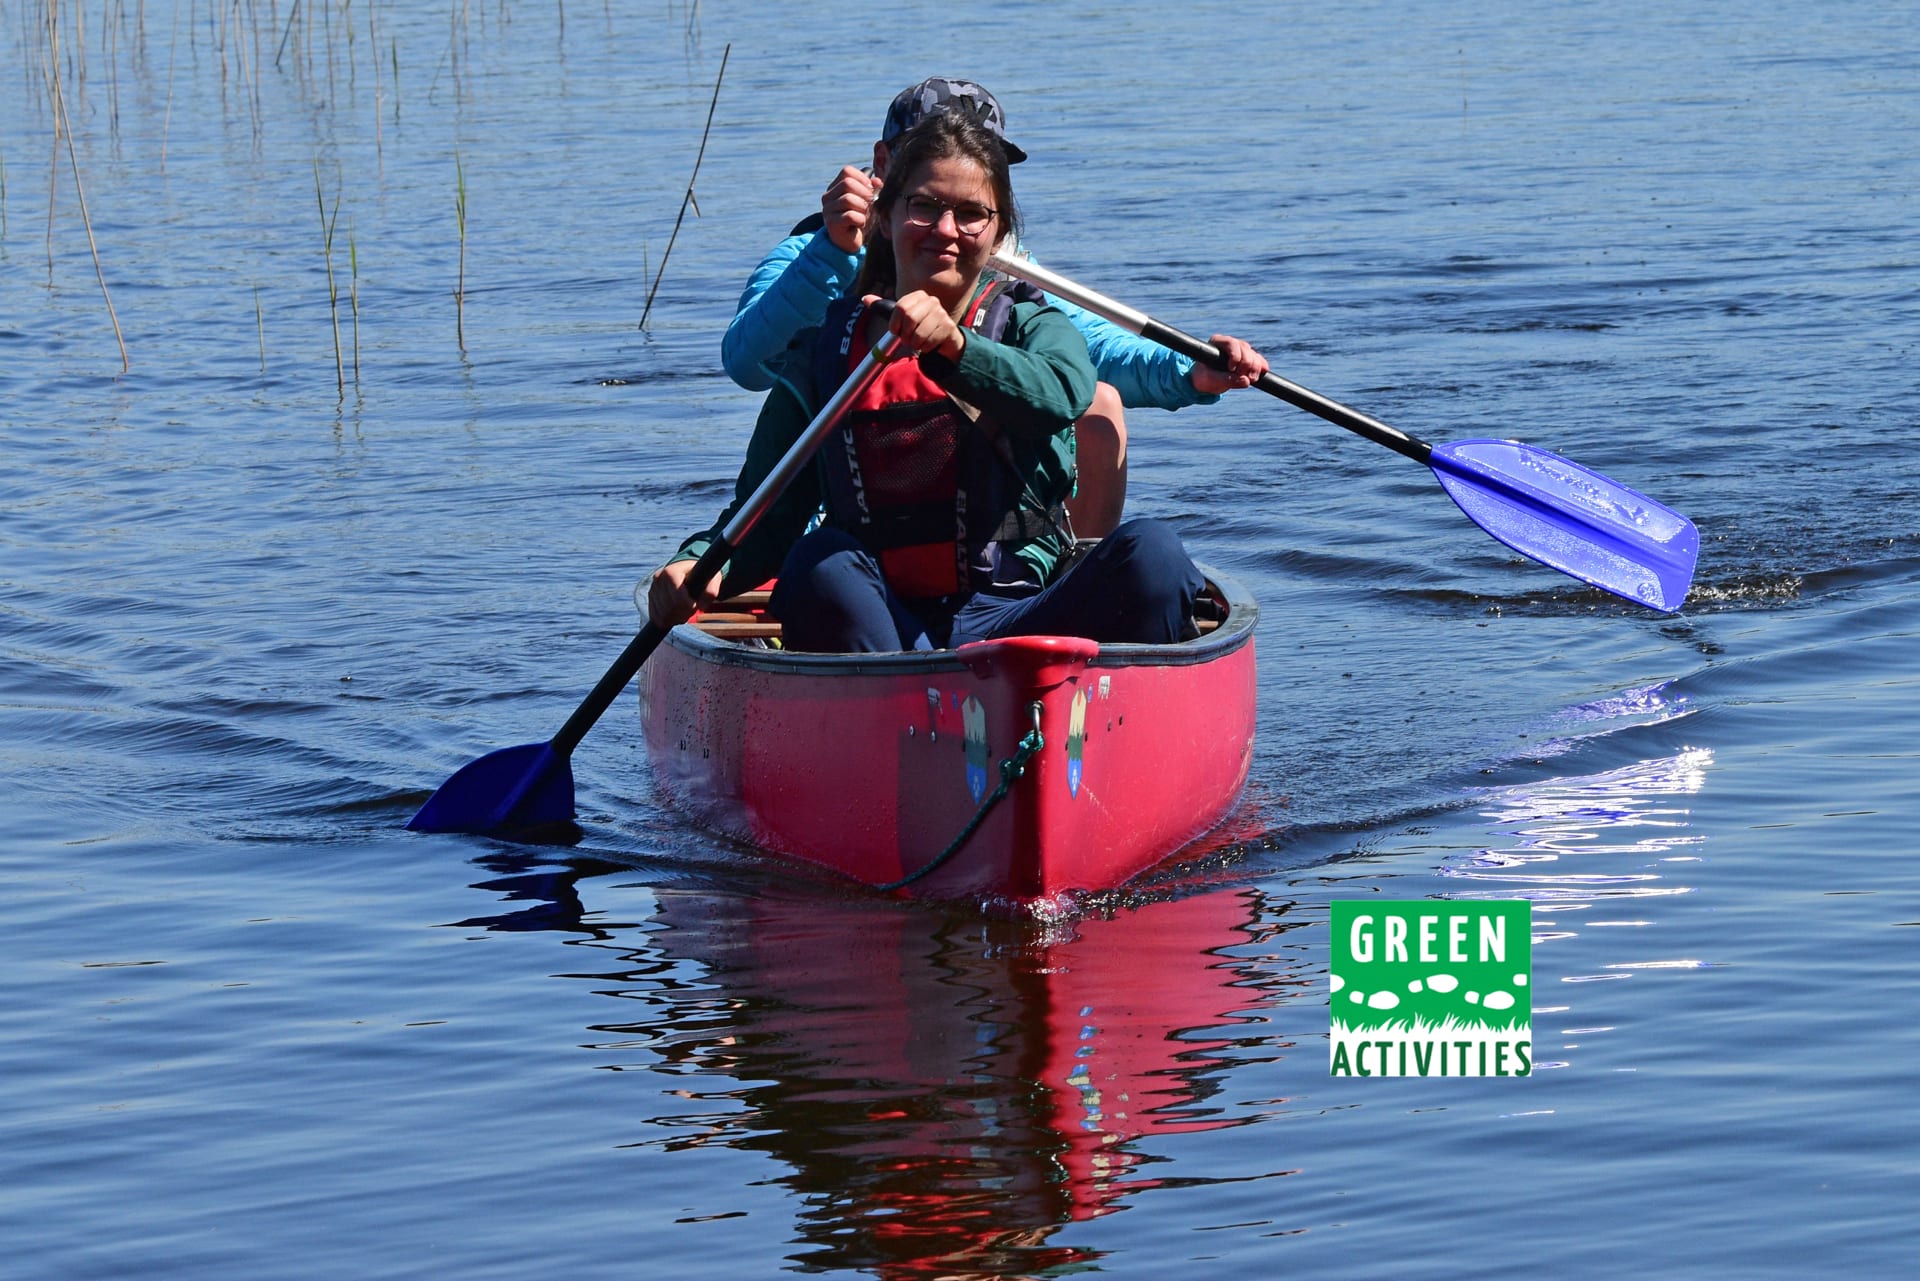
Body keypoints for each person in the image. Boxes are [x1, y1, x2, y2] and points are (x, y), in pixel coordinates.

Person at [651, 111, 1206, 653]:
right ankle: (898, 707)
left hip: (1023, 616)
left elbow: (1061, 395)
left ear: (998, 236)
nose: (946, 231)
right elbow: (764, 514)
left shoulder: (1032, 325)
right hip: (883, 626)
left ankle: (1097, 710)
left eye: (971, 214)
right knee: (818, 563)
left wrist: (955, 348)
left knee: (1154, 553)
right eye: (924, 207)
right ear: (885, 218)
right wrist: (697, 564)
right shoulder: (826, 353)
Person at [720, 77, 1268, 537]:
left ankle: (1066, 599)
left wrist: (1191, 371)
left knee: (1098, 404)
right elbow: (748, 362)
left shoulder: (1006, 270)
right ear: (884, 165)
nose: (955, 190)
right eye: (931, 171)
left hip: (971, 517)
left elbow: (1090, 349)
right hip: (842, 518)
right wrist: (833, 256)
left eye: (981, 168)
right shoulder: (811, 255)